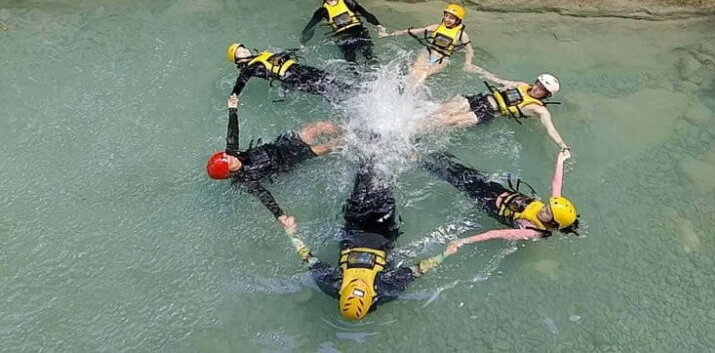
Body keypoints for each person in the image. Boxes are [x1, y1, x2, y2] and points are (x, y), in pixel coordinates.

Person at [278, 159, 457, 320]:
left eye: (353, 284)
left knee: (364, 174)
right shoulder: (386, 289)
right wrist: (446, 253)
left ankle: (369, 149)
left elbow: (307, 257)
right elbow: (419, 269)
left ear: (341, 292)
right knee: (383, 183)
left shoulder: (331, 283)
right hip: (383, 231)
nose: (358, 281)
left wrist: (291, 232)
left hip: (354, 229)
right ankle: (391, 151)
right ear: (372, 297)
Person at [205, 94, 340, 218]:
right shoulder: (247, 180)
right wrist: (280, 216)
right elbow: (265, 197)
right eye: (229, 161)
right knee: (329, 146)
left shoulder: (232, 154)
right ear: (229, 171)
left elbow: (232, 133)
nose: (231, 157)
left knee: (318, 126)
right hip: (289, 159)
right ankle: (351, 141)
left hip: (280, 145)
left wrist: (232, 109)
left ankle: (347, 129)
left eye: (227, 156)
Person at [422, 149, 579, 250]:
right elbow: (556, 184)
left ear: (552, 223)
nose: (544, 208)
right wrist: (560, 160)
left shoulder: (532, 231)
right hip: (499, 190)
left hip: (488, 203)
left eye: (547, 212)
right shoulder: (553, 208)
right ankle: (430, 151)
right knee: (465, 171)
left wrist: (463, 241)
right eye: (547, 206)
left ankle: (420, 161)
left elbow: (495, 233)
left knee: (455, 180)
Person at [428, 73, 570, 151]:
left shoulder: (539, 109)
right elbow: (501, 82)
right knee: (440, 109)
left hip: (486, 112)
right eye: (538, 84)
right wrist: (479, 71)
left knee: (447, 121)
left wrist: (563, 146)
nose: (536, 88)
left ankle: (416, 132)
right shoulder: (522, 85)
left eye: (541, 89)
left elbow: (551, 129)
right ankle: (418, 121)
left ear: (546, 95)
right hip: (481, 99)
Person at [379, 3, 486, 89]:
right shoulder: (436, 27)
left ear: (458, 20)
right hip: (428, 52)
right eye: (446, 16)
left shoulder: (462, 35)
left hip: (442, 58)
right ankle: (400, 89)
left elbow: (469, 51)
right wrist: (389, 34)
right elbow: (414, 31)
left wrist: (468, 63)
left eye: (452, 18)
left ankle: (412, 93)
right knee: (414, 71)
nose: (448, 19)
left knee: (425, 74)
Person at [300, 0, 386, 64]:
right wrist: (303, 43)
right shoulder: (323, 11)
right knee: (351, 61)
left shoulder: (348, 2)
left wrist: (379, 26)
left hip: (359, 32)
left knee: (369, 55)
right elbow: (310, 27)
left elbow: (366, 14)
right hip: (343, 38)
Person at [227, 43, 353, 98]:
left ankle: (353, 90)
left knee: (326, 77)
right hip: (290, 78)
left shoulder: (261, 55)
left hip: (297, 69)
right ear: (238, 61)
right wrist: (234, 95)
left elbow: (281, 55)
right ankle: (349, 99)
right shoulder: (249, 68)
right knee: (324, 88)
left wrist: (296, 50)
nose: (244, 51)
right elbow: (241, 82)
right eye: (240, 53)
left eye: (243, 49)